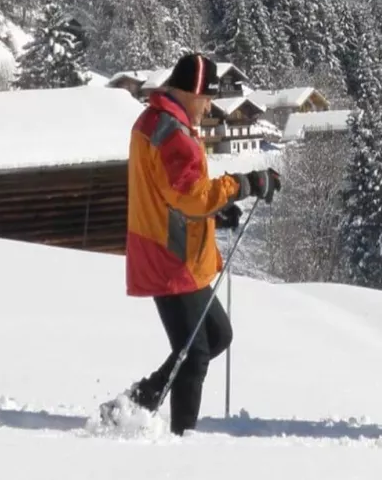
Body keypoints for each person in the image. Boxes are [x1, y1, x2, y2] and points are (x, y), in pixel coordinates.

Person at [119, 51, 281, 435]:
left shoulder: (158, 121)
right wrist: (245, 185)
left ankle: (136, 404)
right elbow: (190, 194)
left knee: (216, 336)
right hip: (170, 256)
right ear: (190, 92)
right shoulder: (172, 132)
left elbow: (172, 193)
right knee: (195, 355)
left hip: (176, 248)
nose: (209, 106)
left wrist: (213, 211)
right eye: (206, 98)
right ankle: (181, 441)